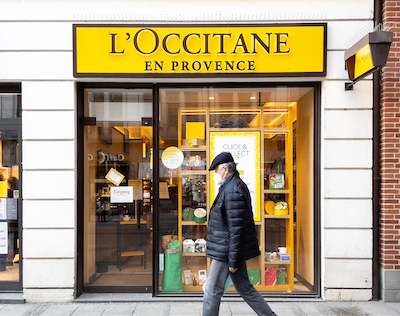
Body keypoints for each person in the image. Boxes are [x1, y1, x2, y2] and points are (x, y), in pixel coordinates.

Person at [203, 152, 277, 316]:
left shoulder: (232, 189)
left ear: (225, 170)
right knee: (245, 288)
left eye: (216, 171)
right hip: (230, 249)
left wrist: (233, 260)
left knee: (211, 290)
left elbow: (236, 229)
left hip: (226, 250)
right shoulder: (231, 186)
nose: (215, 175)